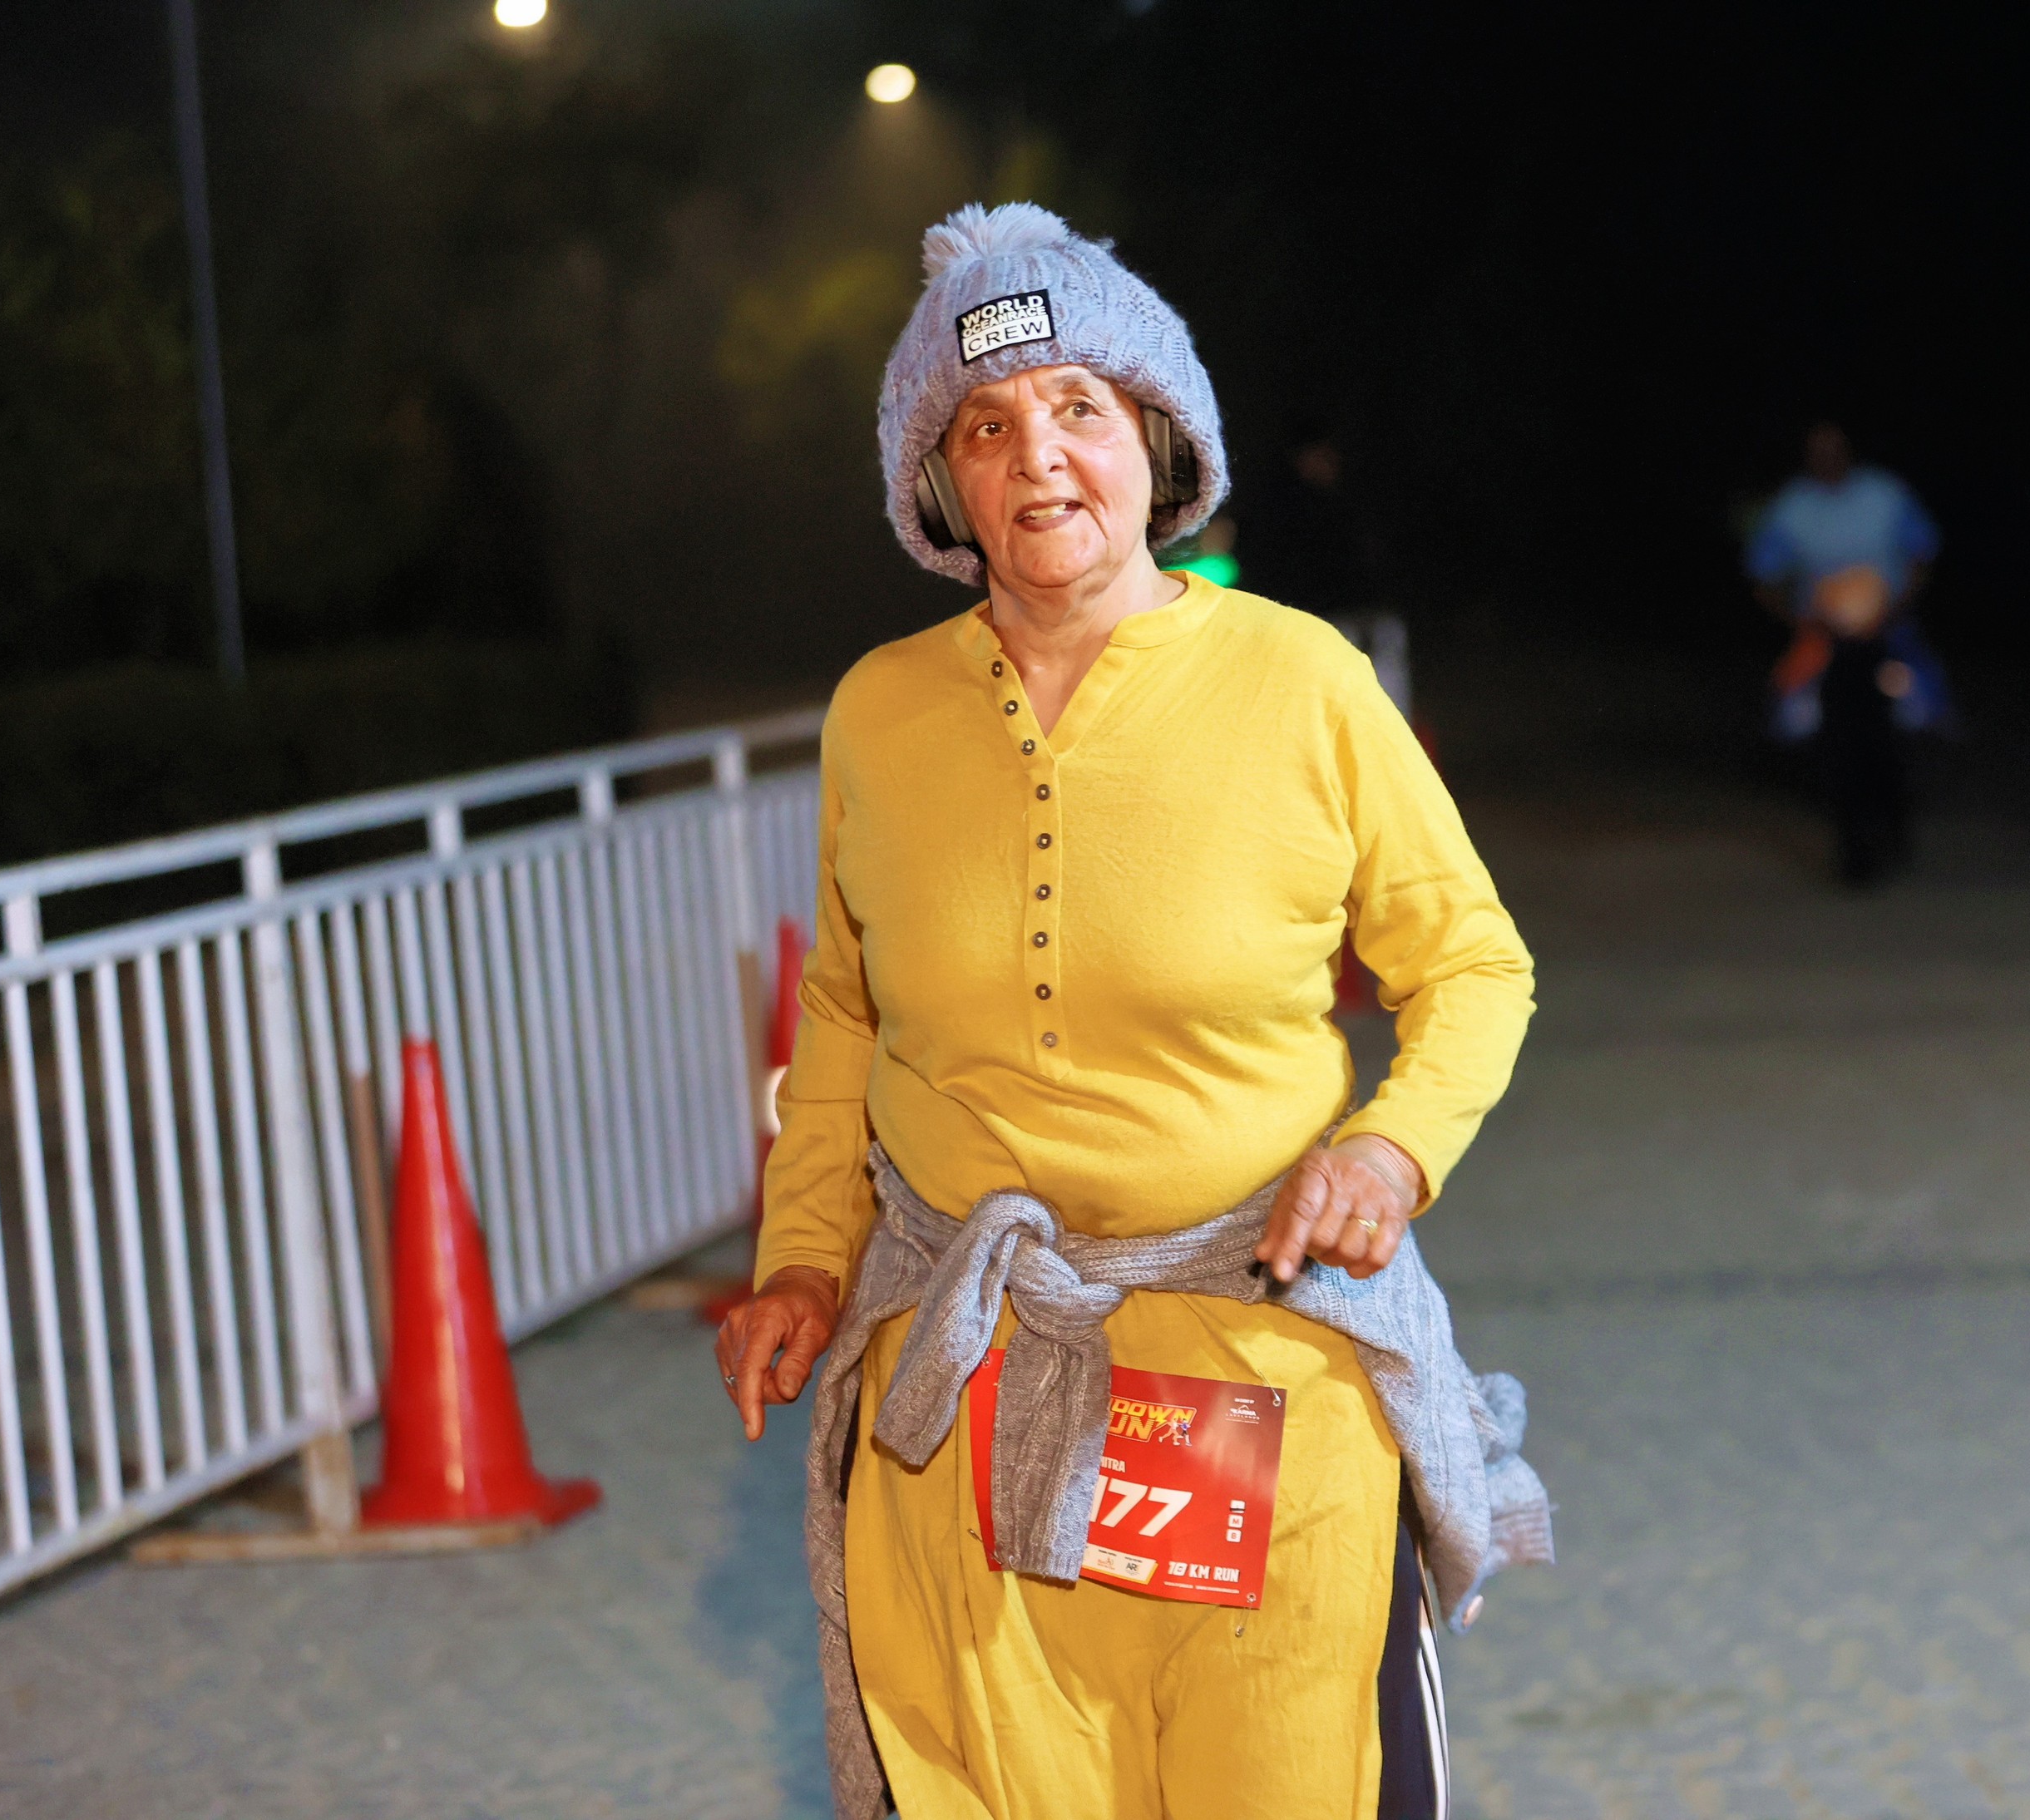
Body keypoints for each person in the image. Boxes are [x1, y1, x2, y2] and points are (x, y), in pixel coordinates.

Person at [713, 202, 1548, 1820]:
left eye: (1078, 407)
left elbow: (1471, 961)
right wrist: (804, 1257)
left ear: (1158, 442)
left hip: (1258, 1359)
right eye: (985, 425)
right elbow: (842, 1015)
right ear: (935, 481)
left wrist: (1389, 1149)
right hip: (960, 1378)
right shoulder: (880, 710)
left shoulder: (1301, 681)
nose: (1037, 456)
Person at [1745, 422, 1949, 887]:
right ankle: (1855, 850)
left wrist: (1894, 610)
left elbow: (1922, 554)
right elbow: (1763, 575)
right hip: (1827, 648)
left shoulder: (1884, 495)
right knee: (1833, 742)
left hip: (1889, 640)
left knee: (1896, 732)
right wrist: (1802, 621)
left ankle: (1894, 824)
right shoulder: (1793, 505)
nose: (1827, 460)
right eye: (1817, 452)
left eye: (1834, 450)